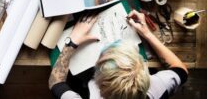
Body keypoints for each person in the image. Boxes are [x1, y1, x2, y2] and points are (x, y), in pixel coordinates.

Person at [49, 11, 188, 99]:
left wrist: (71, 42)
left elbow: (56, 83)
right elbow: (181, 70)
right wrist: (147, 33)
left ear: (100, 88)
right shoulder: (157, 89)